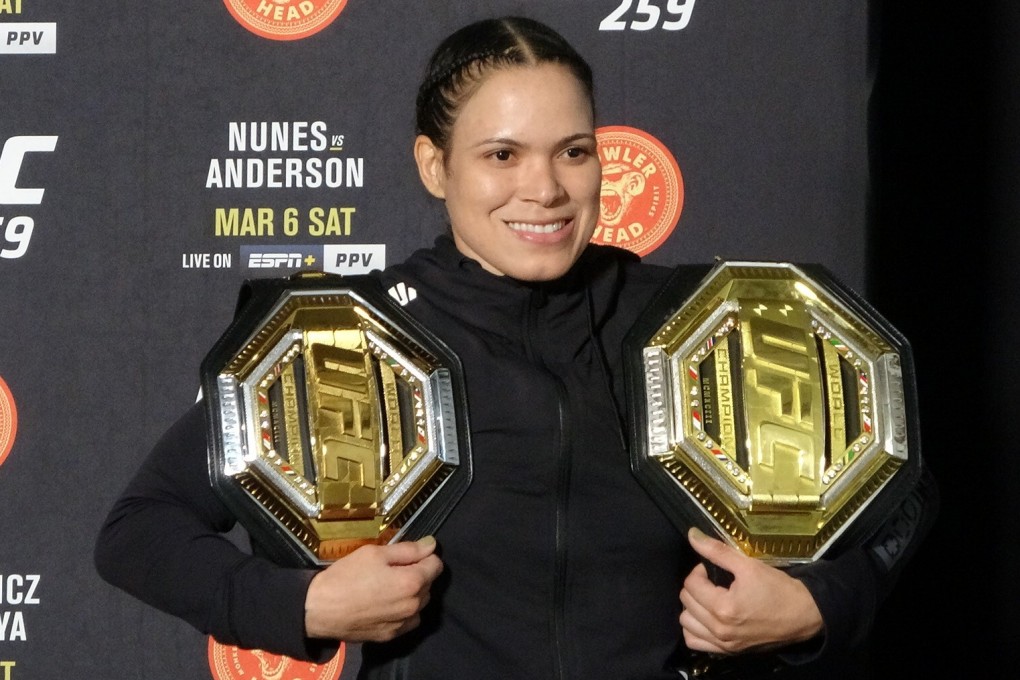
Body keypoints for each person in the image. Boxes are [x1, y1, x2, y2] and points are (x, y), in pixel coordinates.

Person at [94, 15, 938, 680]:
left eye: (574, 152)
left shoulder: (703, 323)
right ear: (435, 166)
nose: (546, 188)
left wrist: (819, 605)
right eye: (503, 155)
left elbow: (904, 498)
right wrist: (304, 604)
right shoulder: (343, 341)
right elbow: (139, 531)